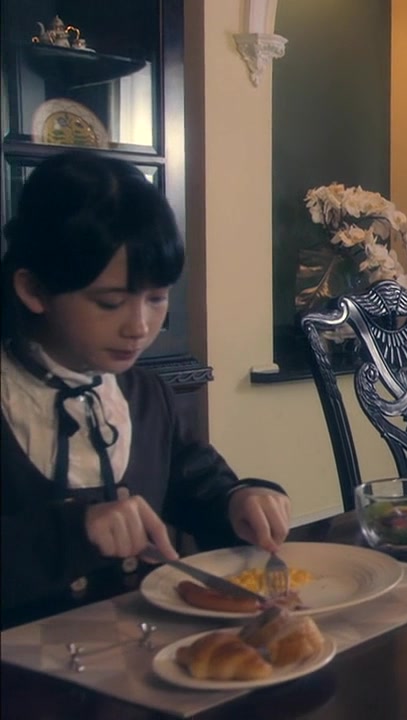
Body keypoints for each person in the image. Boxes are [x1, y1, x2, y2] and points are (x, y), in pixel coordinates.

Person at [0, 152, 291, 629]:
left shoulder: (145, 395)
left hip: (144, 653)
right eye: (110, 302)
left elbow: (198, 484)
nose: (139, 326)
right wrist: (74, 531)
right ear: (33, 290)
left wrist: (240, 500)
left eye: (156, 298)